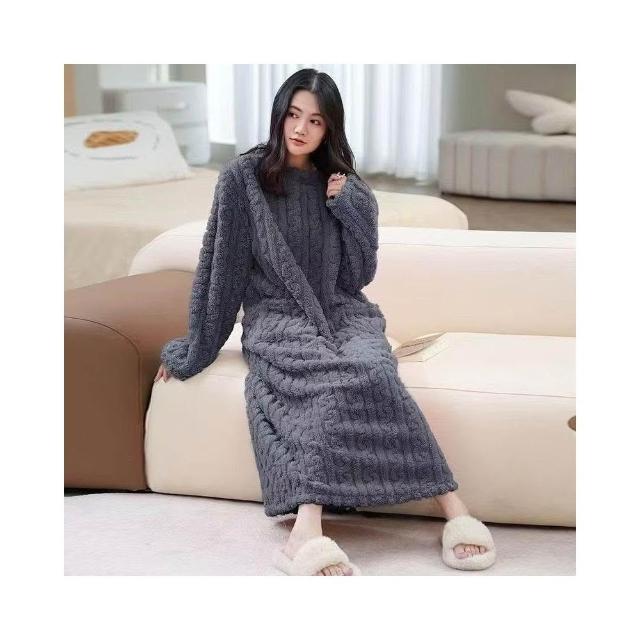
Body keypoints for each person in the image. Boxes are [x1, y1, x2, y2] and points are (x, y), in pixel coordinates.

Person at [155, 68, 496, 576]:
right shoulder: (243, 179)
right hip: (277, 317)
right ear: (279, 114)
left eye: (314, 120)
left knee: (373, 370)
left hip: (342, 311)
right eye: (293, 115)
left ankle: (447, 507)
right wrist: (197, 348)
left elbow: (358, 275)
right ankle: (311, 525)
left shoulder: (339, 183)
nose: (300, 129)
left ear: (329, 127)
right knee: (333, 383)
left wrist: (347, 207)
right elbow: (220, 272)